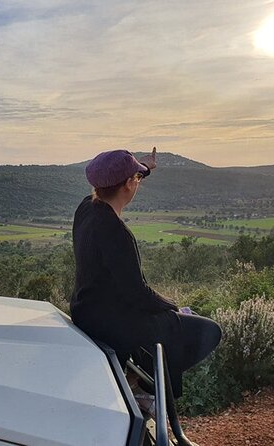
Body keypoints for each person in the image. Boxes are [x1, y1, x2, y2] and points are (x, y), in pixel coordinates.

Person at [70, 147, 222, 411]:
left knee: (171, 324)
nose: (137, 182)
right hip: (110, 321)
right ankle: (148, 389)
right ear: (129, 184)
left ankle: (138, 380)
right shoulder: (117, 233)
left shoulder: (87, 208)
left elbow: (115, 179)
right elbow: (138, 294)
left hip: (87, 310)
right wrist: (172, 306)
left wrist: (144, 167)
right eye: (136, 178)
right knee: (208, 331)